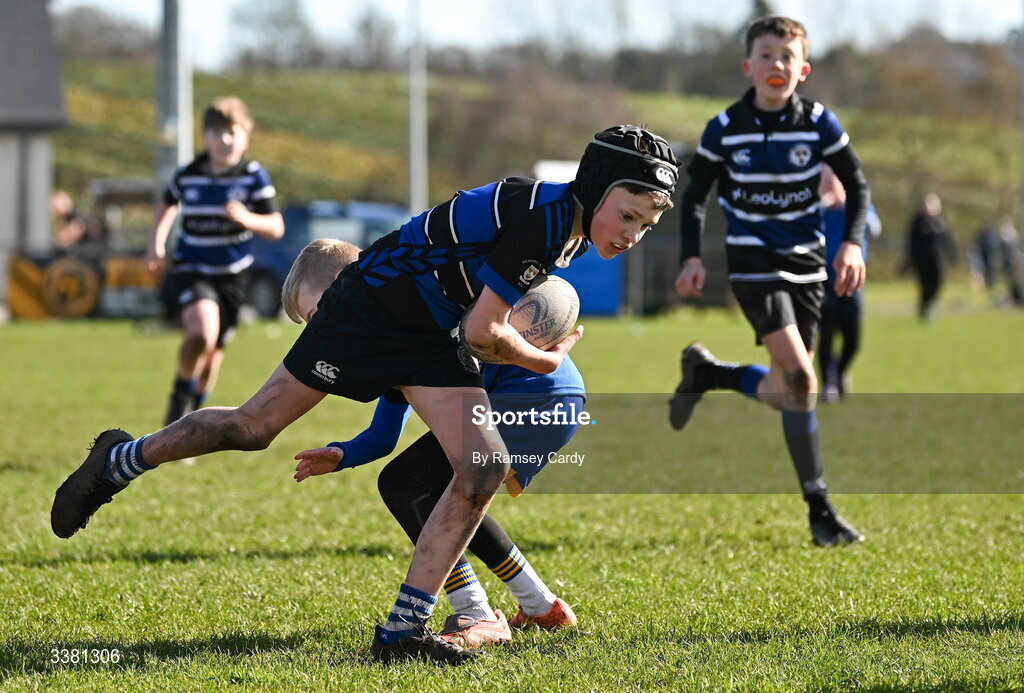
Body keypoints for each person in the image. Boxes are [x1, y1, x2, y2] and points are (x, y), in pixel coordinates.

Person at [51, 125, 679, 665]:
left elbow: (466, 327)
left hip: (426, 329)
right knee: (252, 427)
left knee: (481, 466)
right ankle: (116, 462)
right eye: (627, 215)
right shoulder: (543, 222)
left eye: (647, 225)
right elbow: (484, 333)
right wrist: (543, 357)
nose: (633, 234)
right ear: (595, 189)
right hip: (369, 310)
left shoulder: (563, 226)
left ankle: (402, 632)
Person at [290, 242, 585, 647]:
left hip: (532, 397)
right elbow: (383, 435)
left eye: (319, 314)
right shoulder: (391, 334)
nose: (320, 330)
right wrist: (342, 454)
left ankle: (476, 612)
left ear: (350, 292)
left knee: (406, 485)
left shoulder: (412, 321)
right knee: (447, 495)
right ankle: (539, 604)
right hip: (550, 400)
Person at [669, 15, 868, 547]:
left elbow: (858, 184)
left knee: (789, 390)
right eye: (766, 54)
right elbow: (694, 196)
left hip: (809, 266)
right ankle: (820, 510)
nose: (776, 64)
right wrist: (692, 258)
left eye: (786, 56)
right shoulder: (725, 127)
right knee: (803, 380)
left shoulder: (821, 123)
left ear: (802, 69)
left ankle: (709, 374)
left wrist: (851, 242)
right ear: (748, 66)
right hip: (753, 263)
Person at [147, 96, 284, 426]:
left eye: (232, 132)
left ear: (245, 139)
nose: (224, 140)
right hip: (193, 269)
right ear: (204, 137)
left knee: (212, 357)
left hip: (233, 278)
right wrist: (156, 244)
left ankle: (189, 422)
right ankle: (177, 401)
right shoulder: (188, 175)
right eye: (216, 132)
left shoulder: (253, 176)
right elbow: (165, 205)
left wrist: (248, 219)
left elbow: (276, 227)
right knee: (201, 334)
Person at [817, 165, 882, 402]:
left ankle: (840, 371)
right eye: (825, 181)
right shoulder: (818, 209)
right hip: (824, 281)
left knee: (853, 340)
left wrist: (846, 205)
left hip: (852, 281)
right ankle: (829, 384)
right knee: (825, 336)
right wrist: (823, 205)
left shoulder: (856, 204)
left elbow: (875, 229)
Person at [903, 193, 956, 322]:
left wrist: (953, 256)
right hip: (921, 260)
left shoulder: (941, 221)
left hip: (938, 260)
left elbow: (949, 240)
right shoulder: (917, 222)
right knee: (924, 285)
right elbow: (911, 242)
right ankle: (925, 308)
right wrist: (910, 260)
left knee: (938, 283)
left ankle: (928, 304)